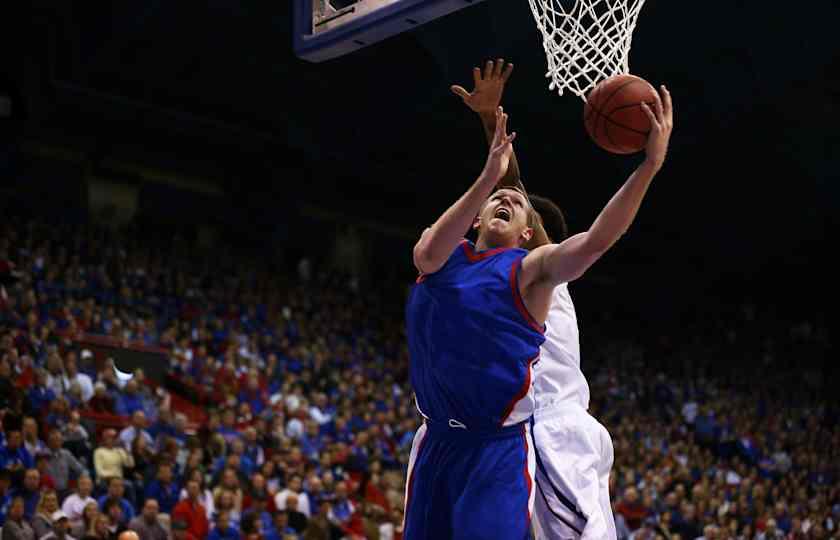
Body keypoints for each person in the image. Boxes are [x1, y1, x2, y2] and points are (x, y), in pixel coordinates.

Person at [405, 62, 672, 537]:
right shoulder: (454, 258)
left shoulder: (540, 274)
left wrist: (649, 166)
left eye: (528, 214)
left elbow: (585, 234)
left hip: (548, 427)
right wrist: (489, 122)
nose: (513, 201)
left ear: (534, 234)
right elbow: (506, 185)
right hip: (460, 431)